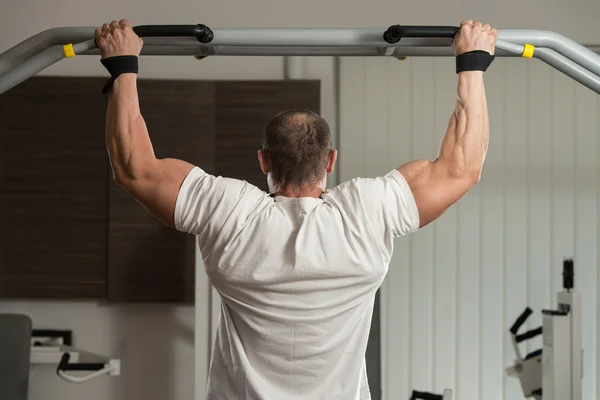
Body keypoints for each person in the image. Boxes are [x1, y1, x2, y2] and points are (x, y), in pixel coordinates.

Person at [95, 19, 497, 400]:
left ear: (263, 161)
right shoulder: (364, 213)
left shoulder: (231, 213)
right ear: (331, 161)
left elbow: (136, 170)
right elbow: (460, 169)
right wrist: (472, 64)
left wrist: (123, 66)